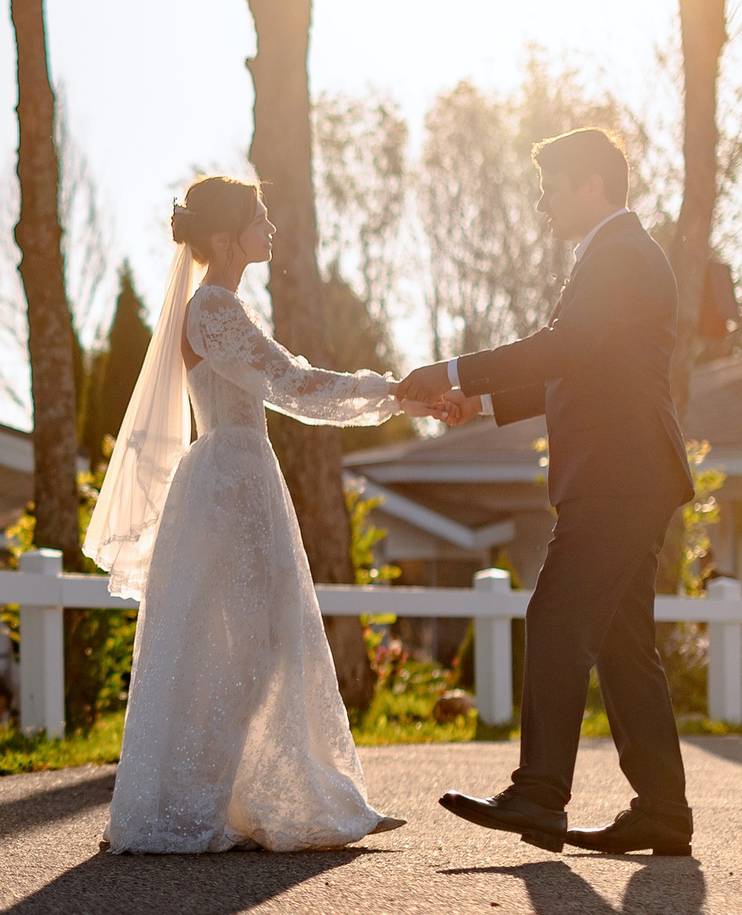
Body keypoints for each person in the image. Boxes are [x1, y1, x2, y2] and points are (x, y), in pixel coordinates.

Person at [84, 176, 429, 854]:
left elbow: (285, 378)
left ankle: (258, 797)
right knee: (256, 640)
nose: (269, 228)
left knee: (258, 637)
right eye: (258, 218)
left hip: (241, 476)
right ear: (223, 238)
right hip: (230, 480)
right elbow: (292, 383)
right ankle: (198, 802)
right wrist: (392, 393)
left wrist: (394, 397)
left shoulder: (221, 305)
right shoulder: (213, 307)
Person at [398, 128, 696, 858]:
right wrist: (481, 403)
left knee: (557, 618)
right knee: (623, 643)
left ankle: (539, 793)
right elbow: (580, 363)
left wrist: (453, 371)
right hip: (631, 472)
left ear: (592, 185)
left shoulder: (619, 254)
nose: (541, 204)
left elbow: (562, 347)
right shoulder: (616, 252)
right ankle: (662, 810)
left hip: (618, 474)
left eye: (550, 189)